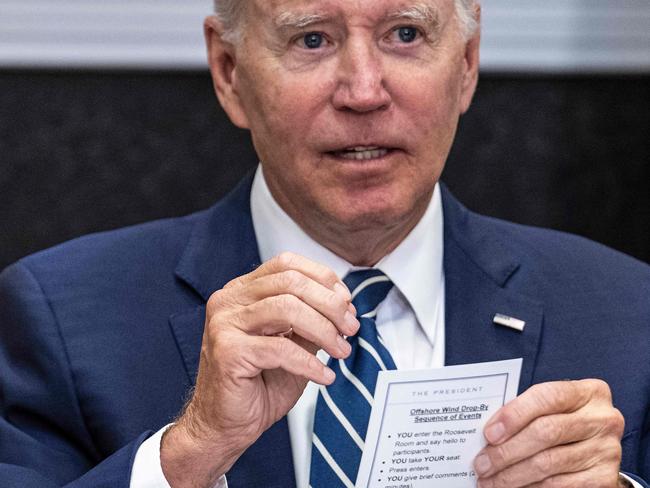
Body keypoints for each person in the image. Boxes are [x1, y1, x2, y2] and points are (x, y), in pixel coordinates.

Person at [0, 0, 648, 487]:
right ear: (228, 73)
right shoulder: (61, 319)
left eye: (405, 34)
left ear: (468, 65)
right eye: (312, 39)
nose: (364, 91)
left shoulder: (628, 316)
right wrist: (189, 453)